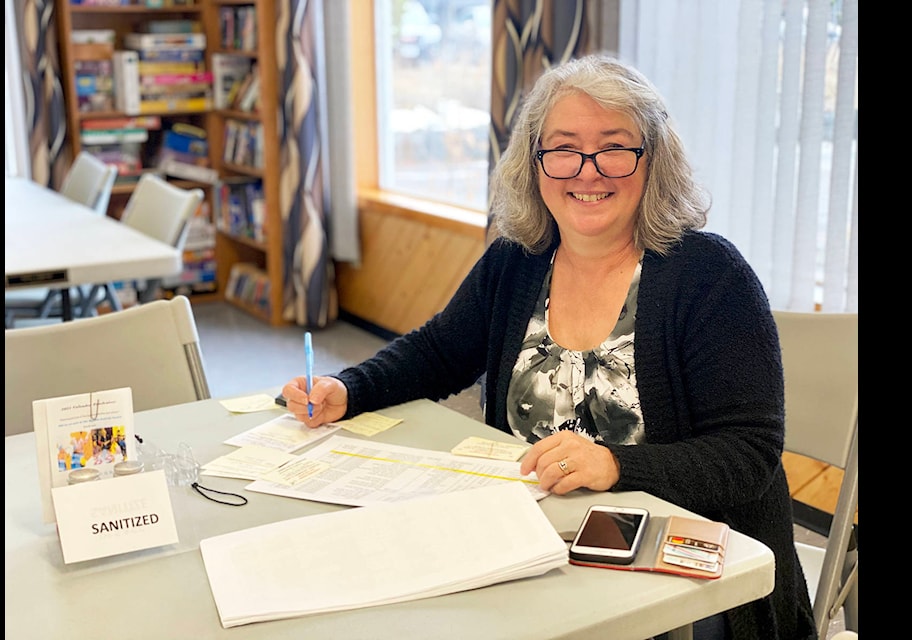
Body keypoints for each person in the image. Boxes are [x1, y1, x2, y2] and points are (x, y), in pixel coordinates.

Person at [281, 54, 816, 640]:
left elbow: (748, 452)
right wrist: (349, 388)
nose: (587, 172)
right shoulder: (518, 259)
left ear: (652, 160)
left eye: (614, 147)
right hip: (533, 545)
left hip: (689, 584)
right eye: (563, 149)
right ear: (535, 163)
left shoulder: (710, 275)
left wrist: (616, 465)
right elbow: (437, 353)